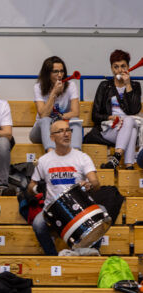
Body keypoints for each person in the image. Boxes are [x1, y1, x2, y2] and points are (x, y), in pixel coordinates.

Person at [27, 120, 100, 256]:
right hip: (52, 211)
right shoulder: (44, 160)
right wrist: (38, 189)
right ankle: (53, 257)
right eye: (60, 131)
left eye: (68, 130)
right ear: (52, 138)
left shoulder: (82, 158)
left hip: (79, 209)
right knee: (38, 223)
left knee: (102, 211)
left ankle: (91, 253)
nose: (66, 134)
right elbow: (31, 186)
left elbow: (95, 183)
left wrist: (90, 184)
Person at [86, 50, 141, 170]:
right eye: (116, 67)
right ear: (111, 69)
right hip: (109, 129)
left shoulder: (135, 85)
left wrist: (128, 85)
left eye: (123, 66)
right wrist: (110, 117)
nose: (119, 70)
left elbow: (134, 109)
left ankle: (117, 159)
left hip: (127, 127)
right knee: (130, 125)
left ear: (128, 67)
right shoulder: (105, 86)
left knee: (129, 122)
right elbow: (95, 116)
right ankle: (129, 166)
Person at [29, 56, 82, 152]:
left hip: (63, 128)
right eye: (55, 72)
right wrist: (54, 93)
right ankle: (51, 155)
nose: (60, 75)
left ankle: (75, 154)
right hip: (43, 130)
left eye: (62, 71)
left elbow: (75, 112)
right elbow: (43, 115)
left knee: (75, 121)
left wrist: (60, 117)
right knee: (45, 120)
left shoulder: (71, 86)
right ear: (47, 74)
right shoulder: (38, 87)